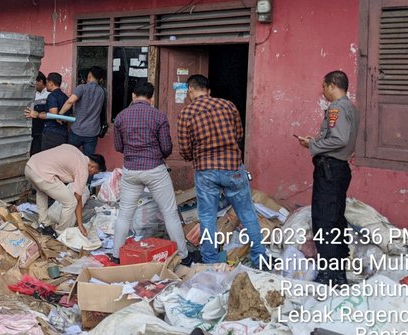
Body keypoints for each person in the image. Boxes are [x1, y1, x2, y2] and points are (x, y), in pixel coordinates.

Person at [177, 74, 266, 268]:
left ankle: (209, 261)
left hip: (206, 170)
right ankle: (260, 258)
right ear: (208, 90)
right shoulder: (228, 106)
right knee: (247, 213)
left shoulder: (187, 113)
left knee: (207, 217)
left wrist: (198, 155)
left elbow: (184, 149)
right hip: (233, 167)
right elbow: (239, 134)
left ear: (190, 90)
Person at [112, 83, 191, 264]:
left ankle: (116, 255)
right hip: (155, 169)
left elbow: (118, 146)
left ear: (133, 95)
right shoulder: (158, 116)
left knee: (124, 214)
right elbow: (166, 147)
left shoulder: (121, 117)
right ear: (152, 97)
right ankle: (183, 255)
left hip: (131, 170)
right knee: (170, 213)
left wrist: (133, 152)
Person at [297, 70, 358, 286]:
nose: (322, 91)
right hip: (339, 169)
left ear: (332, 85)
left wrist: (312, 145)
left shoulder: (336, 108)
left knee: (325, 222)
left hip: (330, 170)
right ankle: (337, 272)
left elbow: (339, 139)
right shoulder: (351, 108)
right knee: (336, 220)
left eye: (324, 87)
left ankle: (330, 275)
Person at [24, 144, 105, 236]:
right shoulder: (83, 169)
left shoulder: (75, 151)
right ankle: (61, 232)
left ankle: (43, 223)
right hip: (43, 174)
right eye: (95, 172)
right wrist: (80, 224)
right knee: (71, 203)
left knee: (42, 192)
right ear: (93, 167)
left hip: (30, 167)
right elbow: (77, 200)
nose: (92, 174)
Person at [58, 66, 106, 156]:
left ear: (90, 75)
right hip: (92, 132)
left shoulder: (82, 88)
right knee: (88, 159)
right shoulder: (102, 91)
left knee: (70, 156)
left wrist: (60, 115)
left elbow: (70, 101)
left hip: (77, 130)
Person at [24, 72, 70, 151]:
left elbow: (53, 115)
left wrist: (37, 114)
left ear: (51, 83)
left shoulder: (52, 96)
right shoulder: (65, 97)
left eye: (47, 82)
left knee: (47, 158)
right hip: (62, 132)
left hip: (52, 134)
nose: (46, 84)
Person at [29, 71, 49, 156]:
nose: (34, 85)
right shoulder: (33, 94)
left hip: (45, 130)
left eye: (35, 83)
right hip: (34, 130)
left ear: (40, 81)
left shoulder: (50, 94)